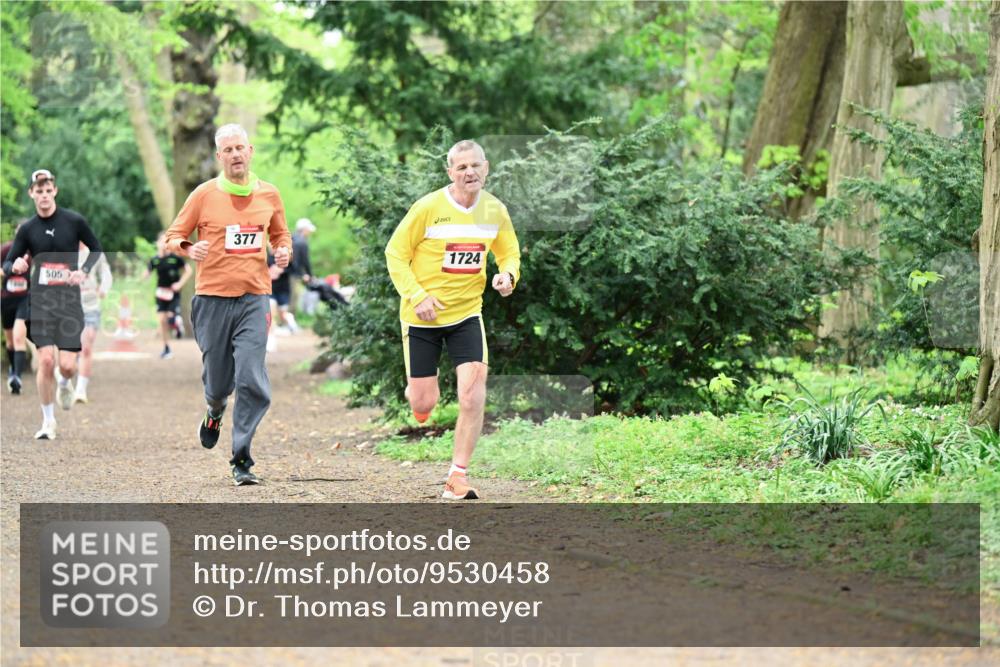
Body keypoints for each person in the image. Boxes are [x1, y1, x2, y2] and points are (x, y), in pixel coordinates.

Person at [384, 139, 520, 500]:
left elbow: (509, 254)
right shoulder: (428, 208)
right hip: (421, 317)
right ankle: (418, 394)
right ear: (450, 173)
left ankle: (457, 476)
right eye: (461, 167)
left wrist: (507, 276)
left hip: (466, 315)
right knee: (424, 403)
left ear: (486, 168)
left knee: (473, 395)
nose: (469, 172)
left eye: (475, 165)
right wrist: (417, 295)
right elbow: (395, 254)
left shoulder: (495, 211)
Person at [165, 123, 292, 486]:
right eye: (228, 150)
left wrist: (283, 251)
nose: (236, 155)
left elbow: (280, 234)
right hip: (212, 300)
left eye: (241, 148)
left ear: (250, 151)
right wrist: (190, 248)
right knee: (219, 382)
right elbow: (174, 236)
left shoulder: (269, 194)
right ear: (219, 157)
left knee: (252, 377)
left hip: (254, 298)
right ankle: (215, 410)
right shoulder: (204, 195)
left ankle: (242, 458)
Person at [1, 169, 104, 440]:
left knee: (67, 366)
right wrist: (17, 264)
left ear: (54, 191)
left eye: (48, 191)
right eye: (39, 191)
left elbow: (96, 248)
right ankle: (48, 422)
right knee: (46, 360)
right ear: (31, 194)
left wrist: (83, 270)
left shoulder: (74, 221)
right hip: (41, 301)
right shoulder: (27, 229)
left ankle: (64, 380)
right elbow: (8, 263)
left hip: (69, 301)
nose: (44, 196)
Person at [73, 241, 113, 403]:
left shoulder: (95, 254)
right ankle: (65, 375)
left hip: (90, 306)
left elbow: (106, 273)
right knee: (71, 351)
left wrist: (103, 289)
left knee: (86, 346)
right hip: (69, 306)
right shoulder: (63, 251)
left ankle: (80, 389)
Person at [144, 232, 191, 359]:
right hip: (160, 293)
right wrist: (144, 276)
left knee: (170, 317)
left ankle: (177, 323)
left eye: (167, 242)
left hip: (173, 293)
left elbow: (188, 270)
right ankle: (166, 348)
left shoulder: (175, 258)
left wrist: (180, 284)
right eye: (162, 242)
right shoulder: (155, 260)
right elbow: (147, 272)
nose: (164, 245)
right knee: (161, 321)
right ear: (157, 243)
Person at [1, 225, 31, 394]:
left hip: (24, 299)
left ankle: (17, 378)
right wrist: (10, 270)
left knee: (19, 338)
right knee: (11, 342)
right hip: (6, 300)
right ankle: (13, 370)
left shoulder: (33, 252)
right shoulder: (6, 249)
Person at [291, 217, 317, 318]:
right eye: (308, 230)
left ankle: (286, 322)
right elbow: (304, 261)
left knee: (289, 297)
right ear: (304, 229)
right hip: (293, 274)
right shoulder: (301, 242)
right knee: (294, 297)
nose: (309, 233)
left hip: (285, 272)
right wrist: (307, 274)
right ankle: (288, 323)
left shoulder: (292, 238)